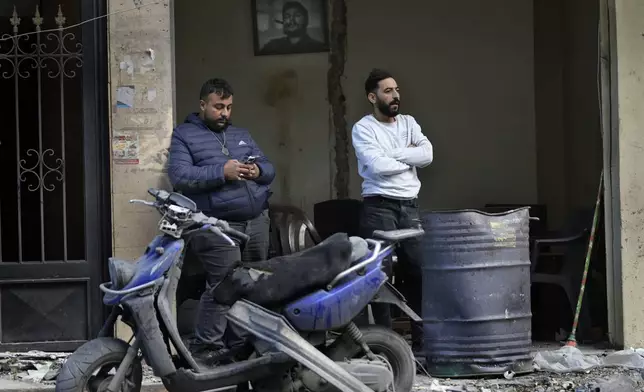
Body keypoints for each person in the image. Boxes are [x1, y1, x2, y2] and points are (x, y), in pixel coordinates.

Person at [168, 78, 275, 366]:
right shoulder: (184, 135)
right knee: (224, 284)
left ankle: (239, 348)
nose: (224, 113)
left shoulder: (241, 133)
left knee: (252, 284)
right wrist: (221, 172)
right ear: (203, 105)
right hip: (216, 225)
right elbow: (179, 177)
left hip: (256, 221)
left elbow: (270, 168)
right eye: (218, 107)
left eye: (228, 107)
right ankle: (206, 351)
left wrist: (257, 170)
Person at [351, 68, 433, 350]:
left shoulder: (409, 123)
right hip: (379, 208)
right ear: (372, 97)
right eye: (388, 91)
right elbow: (377, 166)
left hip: (410, 209)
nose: (395, 95)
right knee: (379, 278)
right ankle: (386, 345)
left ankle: (422, 343)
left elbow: (428, 154)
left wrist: (396, 155)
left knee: (419, 273)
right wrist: (409, 159)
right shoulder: (363, 128)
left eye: (396, 89)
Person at [260, 1, 327, 55]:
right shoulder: (271, 46)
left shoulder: (318, 47)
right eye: (287, 17)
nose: (291, 20)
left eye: (297, 15)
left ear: (306, 20)